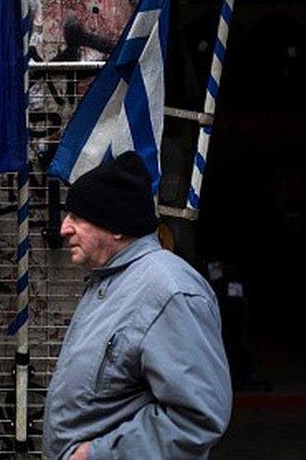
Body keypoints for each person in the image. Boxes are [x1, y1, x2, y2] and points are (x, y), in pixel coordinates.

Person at [43, 151, 232, 459]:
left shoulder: (169, 291)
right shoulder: (109, 281)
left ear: (117, 226)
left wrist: (98, 455)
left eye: (77, 217)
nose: (64, 228)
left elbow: (198, 417)